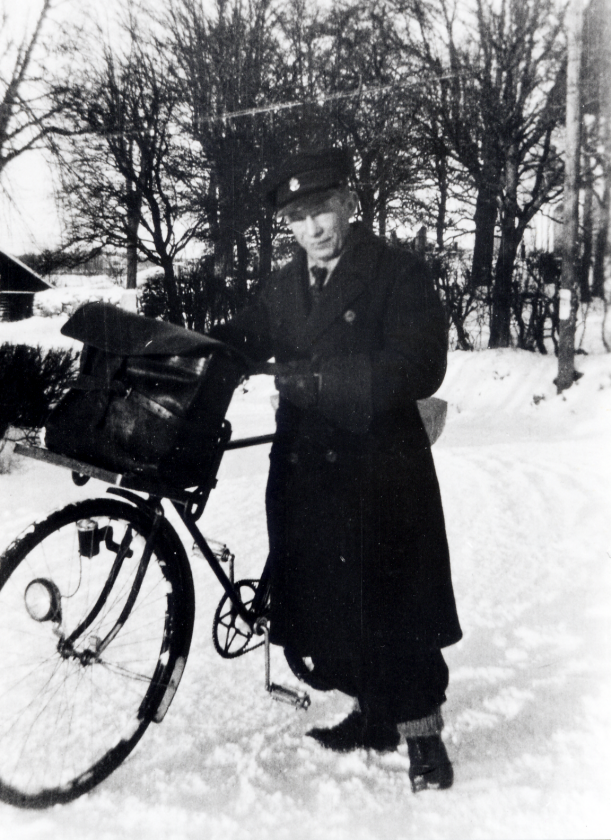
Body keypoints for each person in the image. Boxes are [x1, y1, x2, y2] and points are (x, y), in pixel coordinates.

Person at [213, 148, 462, 792]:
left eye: (322, 209)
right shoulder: (284, 286)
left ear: (348, 204)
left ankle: (424, 738)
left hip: (380, 467)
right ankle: (371, 713)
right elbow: (245, 334)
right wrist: (193, 348)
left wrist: (331, 380)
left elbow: (422, 363)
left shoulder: (397, 272)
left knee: (396, 604)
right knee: (330, 601)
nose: (314, 228)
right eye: (298, 217)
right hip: (308, 468)